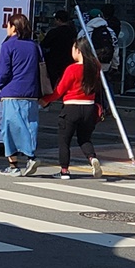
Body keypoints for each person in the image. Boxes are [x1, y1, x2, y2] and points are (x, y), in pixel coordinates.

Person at [40, 36, 103, 180]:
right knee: (85, 139)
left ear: (79, 50)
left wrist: (45, 100)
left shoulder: (72, 69)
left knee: (64, 141)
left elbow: (60, 90)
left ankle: (64, 170)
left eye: (74, 48)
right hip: (89, 108)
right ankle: (92, 159)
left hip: (71, 108)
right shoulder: (95, 66)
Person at [0, 13, 42, 177]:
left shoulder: (8, 45)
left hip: (12, 91)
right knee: (30, 125)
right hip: (31, 92)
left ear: (13, 27)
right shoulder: (34, 46)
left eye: (8, 25)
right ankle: (30, 156)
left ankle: (14, 164)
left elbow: (3, 72)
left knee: (8, 129)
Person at [41, 10, 78, 88]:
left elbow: (44, 44)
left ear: (58, 20)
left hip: (54, 60)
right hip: (69, 59)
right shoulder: (73, 32)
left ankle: (52, 95)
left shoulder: (54, 32)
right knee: (67, 80)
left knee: (52, 81)